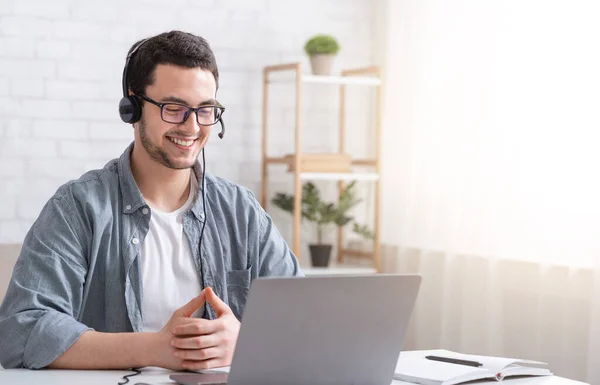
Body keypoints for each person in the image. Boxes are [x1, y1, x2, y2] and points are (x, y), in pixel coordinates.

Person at [0, 30, 302, 371]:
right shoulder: (78, 208)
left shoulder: (241, 212)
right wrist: (154, 348)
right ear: (132, 107)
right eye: (174, 108)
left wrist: (246, 340)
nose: (192, 127)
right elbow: (19, 331)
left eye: (206, 110)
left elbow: (303, 321)